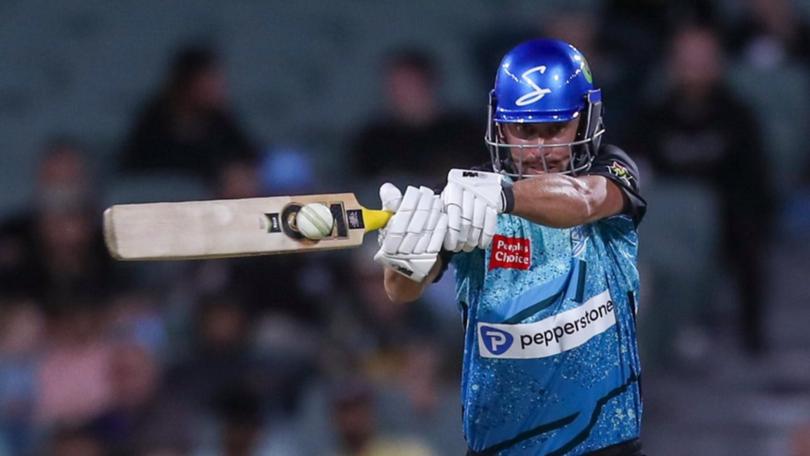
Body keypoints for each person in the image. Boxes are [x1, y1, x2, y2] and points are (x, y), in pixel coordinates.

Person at [373, 39, 647, 455]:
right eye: (525, 130)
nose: (540, 151)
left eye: (555, 129)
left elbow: (585, 200)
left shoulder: (611, 168)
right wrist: (406, 254)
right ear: (500, 126)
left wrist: (503, 196)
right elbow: (401, 288)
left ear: (586, 120)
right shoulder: (463, 195)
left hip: (604, 445)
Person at [119, 45, 257, 183]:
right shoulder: (154, 120)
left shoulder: (220, 120)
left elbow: (249, 157)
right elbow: (141, 169)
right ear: (187, 83)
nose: (217, 88)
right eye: (208, 80)